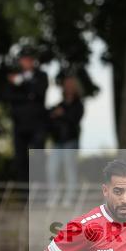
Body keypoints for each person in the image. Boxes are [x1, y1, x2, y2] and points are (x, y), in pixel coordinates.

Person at [4, 47, 49, 181]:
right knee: (20, 160)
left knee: (38, 158)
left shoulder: (41, 76)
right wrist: (28, 94)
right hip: (19, 124)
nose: (26, 62)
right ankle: (24, 195)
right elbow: (8, 96)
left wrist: (21, 83)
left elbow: (39, 92)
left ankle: (40, 193)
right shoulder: (13, 76)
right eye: (24, 59)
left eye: (29, 59)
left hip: (37, 124)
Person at [46, 76, 85, 206]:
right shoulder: (59, 105)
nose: (68, 87)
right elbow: (50, 120)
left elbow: (74, 120)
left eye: (70, 84)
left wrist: (62, 115)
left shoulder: (78, 105)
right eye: (66, 84)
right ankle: (54, 196)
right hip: (58, 142)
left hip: (71, 141)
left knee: (70, 169)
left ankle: (70, 197)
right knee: (51, 168)